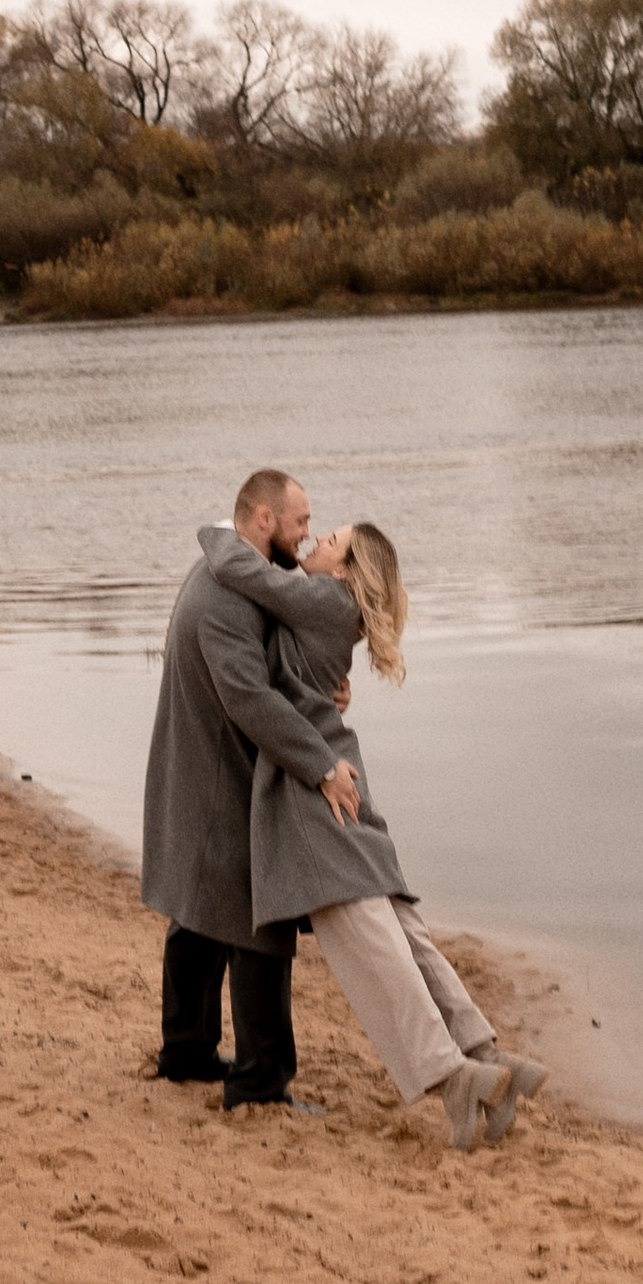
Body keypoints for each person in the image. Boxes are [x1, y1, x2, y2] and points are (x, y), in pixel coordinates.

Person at [197, 514, 545, 1152]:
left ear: (347, 572)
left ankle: (451, 1073)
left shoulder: (324, 599)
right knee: (402, 928)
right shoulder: (335, 610)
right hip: (340, 772)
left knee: (369, 942)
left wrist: (224, 526)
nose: (317, 539)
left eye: (332, 541)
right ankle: (484, 1050)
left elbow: (235, 567)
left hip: (315, 788)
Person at [140, 467, 361, 1111]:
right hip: (217, 772)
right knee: (258, 924)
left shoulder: (223, 576)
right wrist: (321, 763)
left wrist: (322, 690)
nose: (307, 532)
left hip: (198, 764)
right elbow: (249, 699)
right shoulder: (226, 594)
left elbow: (264, 668)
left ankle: (185, 1051)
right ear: (263, 521)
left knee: (200, 912)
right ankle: (261, 1082)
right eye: (299, 522)